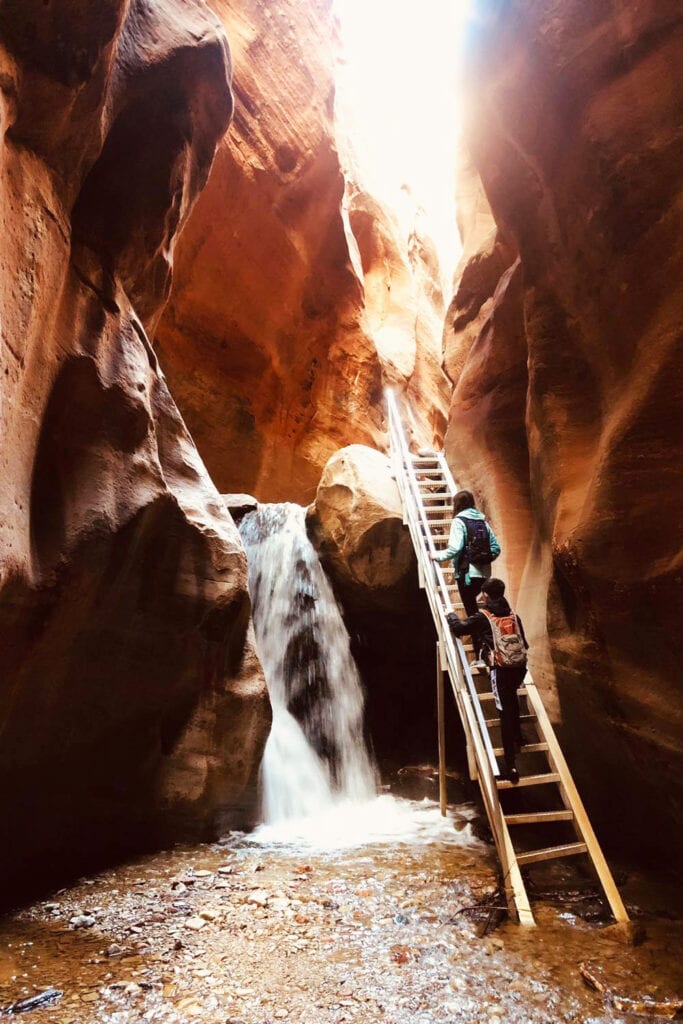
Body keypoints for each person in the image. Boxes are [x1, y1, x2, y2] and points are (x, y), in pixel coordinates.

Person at [446, 577, 528, 784]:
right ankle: (520, 738)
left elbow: (459, 629)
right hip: (519, 668)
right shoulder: (513, 615)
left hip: (500, 669)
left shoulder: (484, 616)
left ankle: (510, 765)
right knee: (512, 700)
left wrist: (451, 616)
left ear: (485, 594)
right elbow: (524, 642)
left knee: (504, 714)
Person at [430, 489, 501, 664]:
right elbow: (496, 548)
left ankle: (481, 656)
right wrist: (483, 559)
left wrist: (437, 556)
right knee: (487, 614)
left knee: (473, 614)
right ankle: (493, 651)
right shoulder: (481, 521)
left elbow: (455, 548)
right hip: (484, 575)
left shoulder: (459, 521)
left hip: (467, 575)